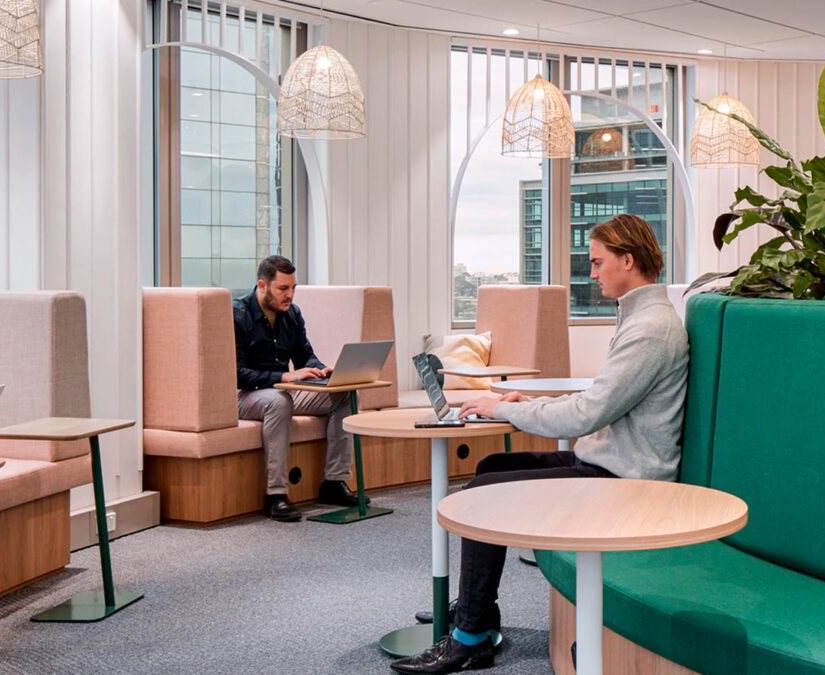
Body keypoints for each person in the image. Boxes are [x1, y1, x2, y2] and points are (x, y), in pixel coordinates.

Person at [390, 214, 689, 673]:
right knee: (491, 466)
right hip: (607, 460)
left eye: (597, 262)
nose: (591, 273)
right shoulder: (640, 317)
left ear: (627, 260)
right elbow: (598, 399)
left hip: (624, 478)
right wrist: (524, 400)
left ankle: (470, 636)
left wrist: (502, 407)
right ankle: (478, 612)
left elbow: (587, 414)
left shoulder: (650, 329)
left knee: (483, 496)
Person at [234, 255, 368, 522]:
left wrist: (321, 370)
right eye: (283, 289)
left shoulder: (291, 313)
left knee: (343, 394)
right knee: (279, 401)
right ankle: (276, 495)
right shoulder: (238, 315)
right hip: (244, 395)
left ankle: (334, 482)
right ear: (262, 286)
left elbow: (305, 355)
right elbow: (237, 374)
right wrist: (285, 375)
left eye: (293, 288)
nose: (290, 295)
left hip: (282, 389)